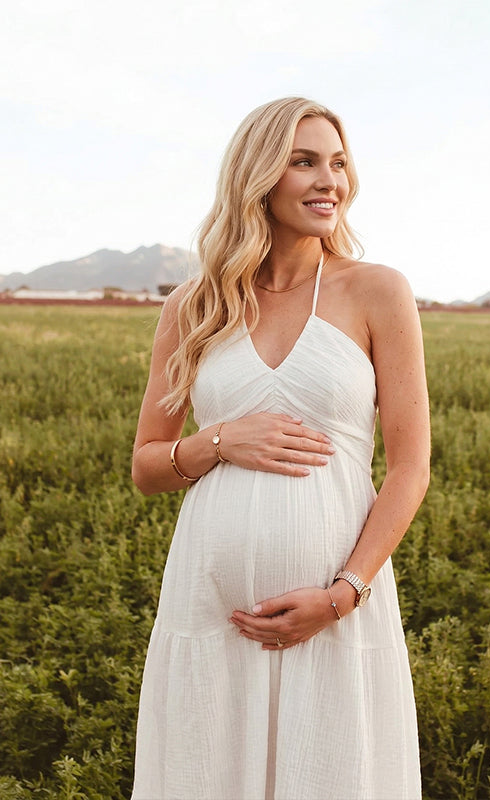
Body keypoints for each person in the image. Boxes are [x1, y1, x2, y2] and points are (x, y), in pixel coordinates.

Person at [130, 96, 430, 800]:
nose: (330, 181)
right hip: (210, 611)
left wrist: (341, 594)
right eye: (304, 162)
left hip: (334, 614)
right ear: (257, 175)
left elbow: (410, 468)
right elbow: (147, 465)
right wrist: (220, 439)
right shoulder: (194, 306)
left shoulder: (377, 291)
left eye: (338, 163)